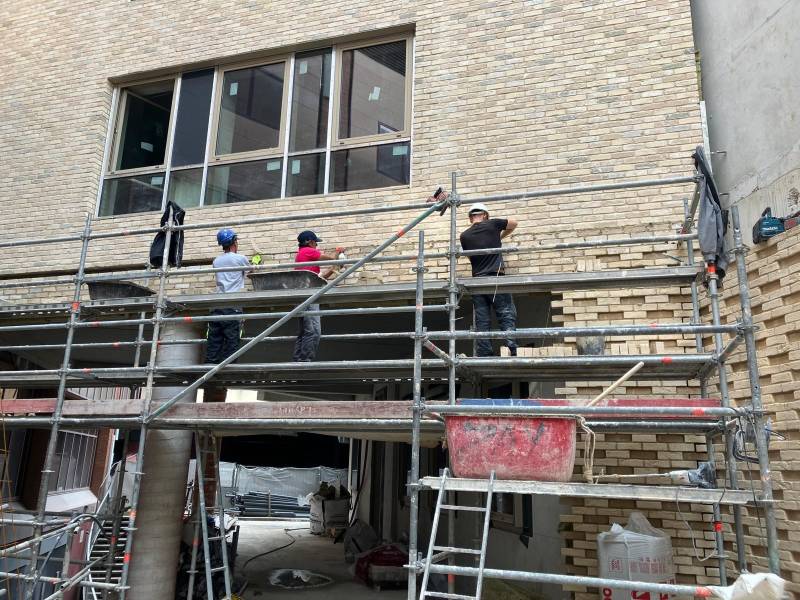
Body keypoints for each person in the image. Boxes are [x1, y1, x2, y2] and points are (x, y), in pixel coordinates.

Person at [459, 203, 519, 357]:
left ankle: (485, 353)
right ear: (485, 215)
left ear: (470, 217)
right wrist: (499, 236)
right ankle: (511, 348)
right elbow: (514, 223)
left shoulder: (464, 236)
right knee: (505, 312)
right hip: (495, 278)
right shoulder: (493, 224)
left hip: (477, 282)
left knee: (482, 320)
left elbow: (470, 256)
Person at [293, 230, 344, 362]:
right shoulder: (307, 251)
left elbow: (320, 278)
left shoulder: (304, 258)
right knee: (313, 331)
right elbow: (330, 258)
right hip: (309, 296)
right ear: (310, 242)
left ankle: (298, 360)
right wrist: (338, 253)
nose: (317, 246)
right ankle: (305, 361)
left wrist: (333, 269)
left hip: (303, 295)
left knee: (305, 331)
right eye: (316, 243)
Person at [206, 228, 251, 363]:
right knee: (232, 343)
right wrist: (255, 265)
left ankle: (210, 370)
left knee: (214, 343)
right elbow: (251, 272)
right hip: (232, 306)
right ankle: (227, 371)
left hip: (217, 307)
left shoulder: (216, 261)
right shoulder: (241, 258)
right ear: (234, 242)